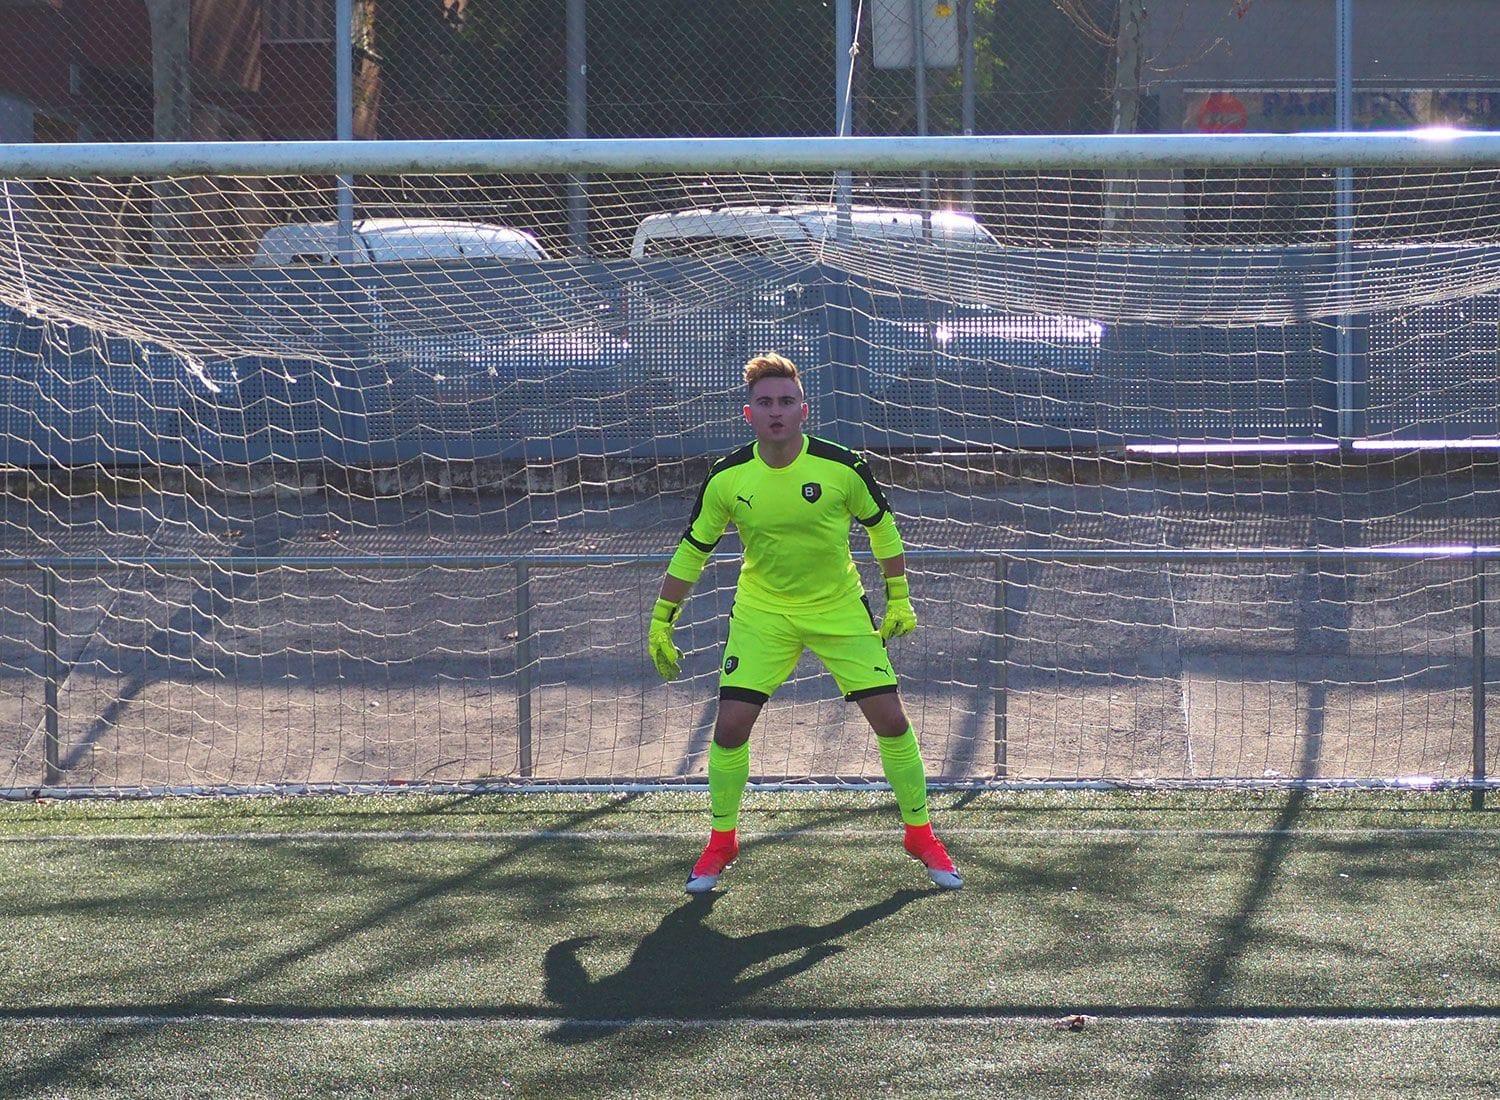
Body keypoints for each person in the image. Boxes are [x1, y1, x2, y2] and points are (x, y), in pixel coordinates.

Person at [647, 352, 961, 894]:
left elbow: (883, 529)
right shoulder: (727, 477)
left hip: (838, 609)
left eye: (786, 401)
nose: (776, 411)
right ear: (748, 414)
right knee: (729, 728)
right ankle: (722, 841)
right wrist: (661, 619)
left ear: (804, 410)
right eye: (765, 402)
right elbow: (694, 548)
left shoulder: (843, 466)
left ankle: (920, 834)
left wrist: (899, 598)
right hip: (763, 613)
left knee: (891, 721)